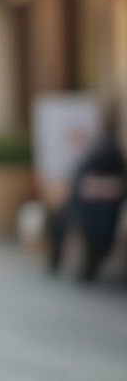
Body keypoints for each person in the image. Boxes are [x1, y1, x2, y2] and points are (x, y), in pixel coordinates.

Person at [47, 119, 125, 283]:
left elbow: (116, 184)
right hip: (81, 207)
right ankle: (61, 262)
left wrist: (94, 188)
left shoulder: (105, 152)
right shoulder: (95, 152)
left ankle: (82, 265)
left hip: (93, 209)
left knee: (68, 223)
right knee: (55, 219)